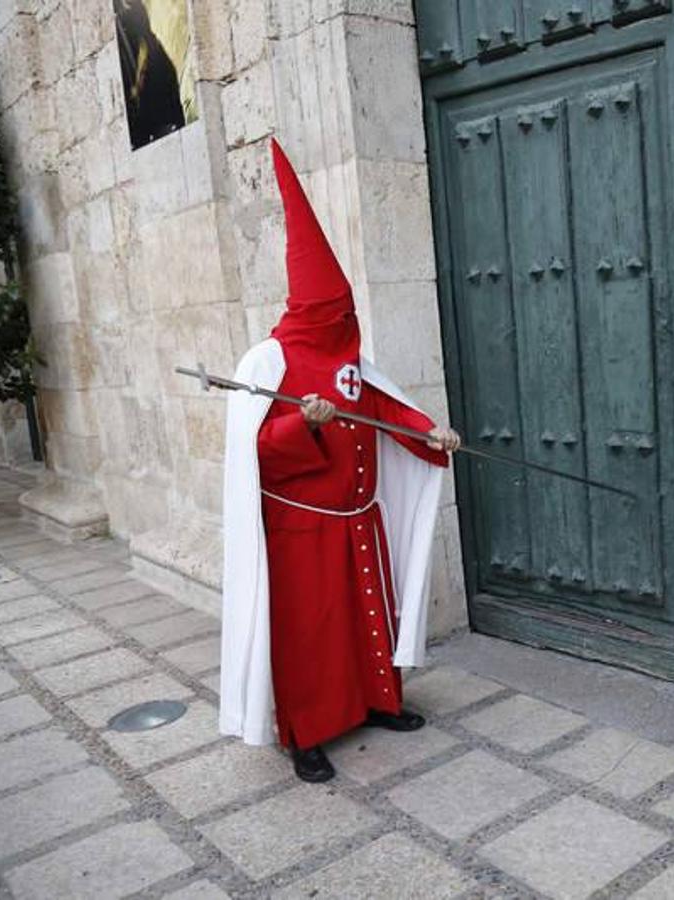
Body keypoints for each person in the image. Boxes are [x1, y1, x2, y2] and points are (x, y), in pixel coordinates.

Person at [218, 139, 460, 782]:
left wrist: (431, 434)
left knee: (364, 618)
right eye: (333, 310)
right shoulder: (265, 366)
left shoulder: (350, 360)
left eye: (345, 308)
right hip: (301, 534)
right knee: (313, 635)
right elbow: (255, 457)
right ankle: (307, 732)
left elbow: (386, 410)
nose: (342, 319)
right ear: (307, 309)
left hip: (358, 519)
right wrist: (302, 422)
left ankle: (379, 701)